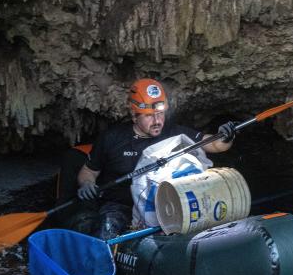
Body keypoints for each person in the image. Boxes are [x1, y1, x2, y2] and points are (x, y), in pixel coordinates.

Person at [58, 78, 236, 240]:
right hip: (121, 205)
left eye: (160, 114)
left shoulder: (174, 133)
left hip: (164, 204)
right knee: (106, 231)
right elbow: (88, 172)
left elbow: (214, 145)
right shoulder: (112, 138)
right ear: (134, 115)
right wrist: (87, 184)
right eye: (149, 116)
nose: (157, 121)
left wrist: (226, 136)